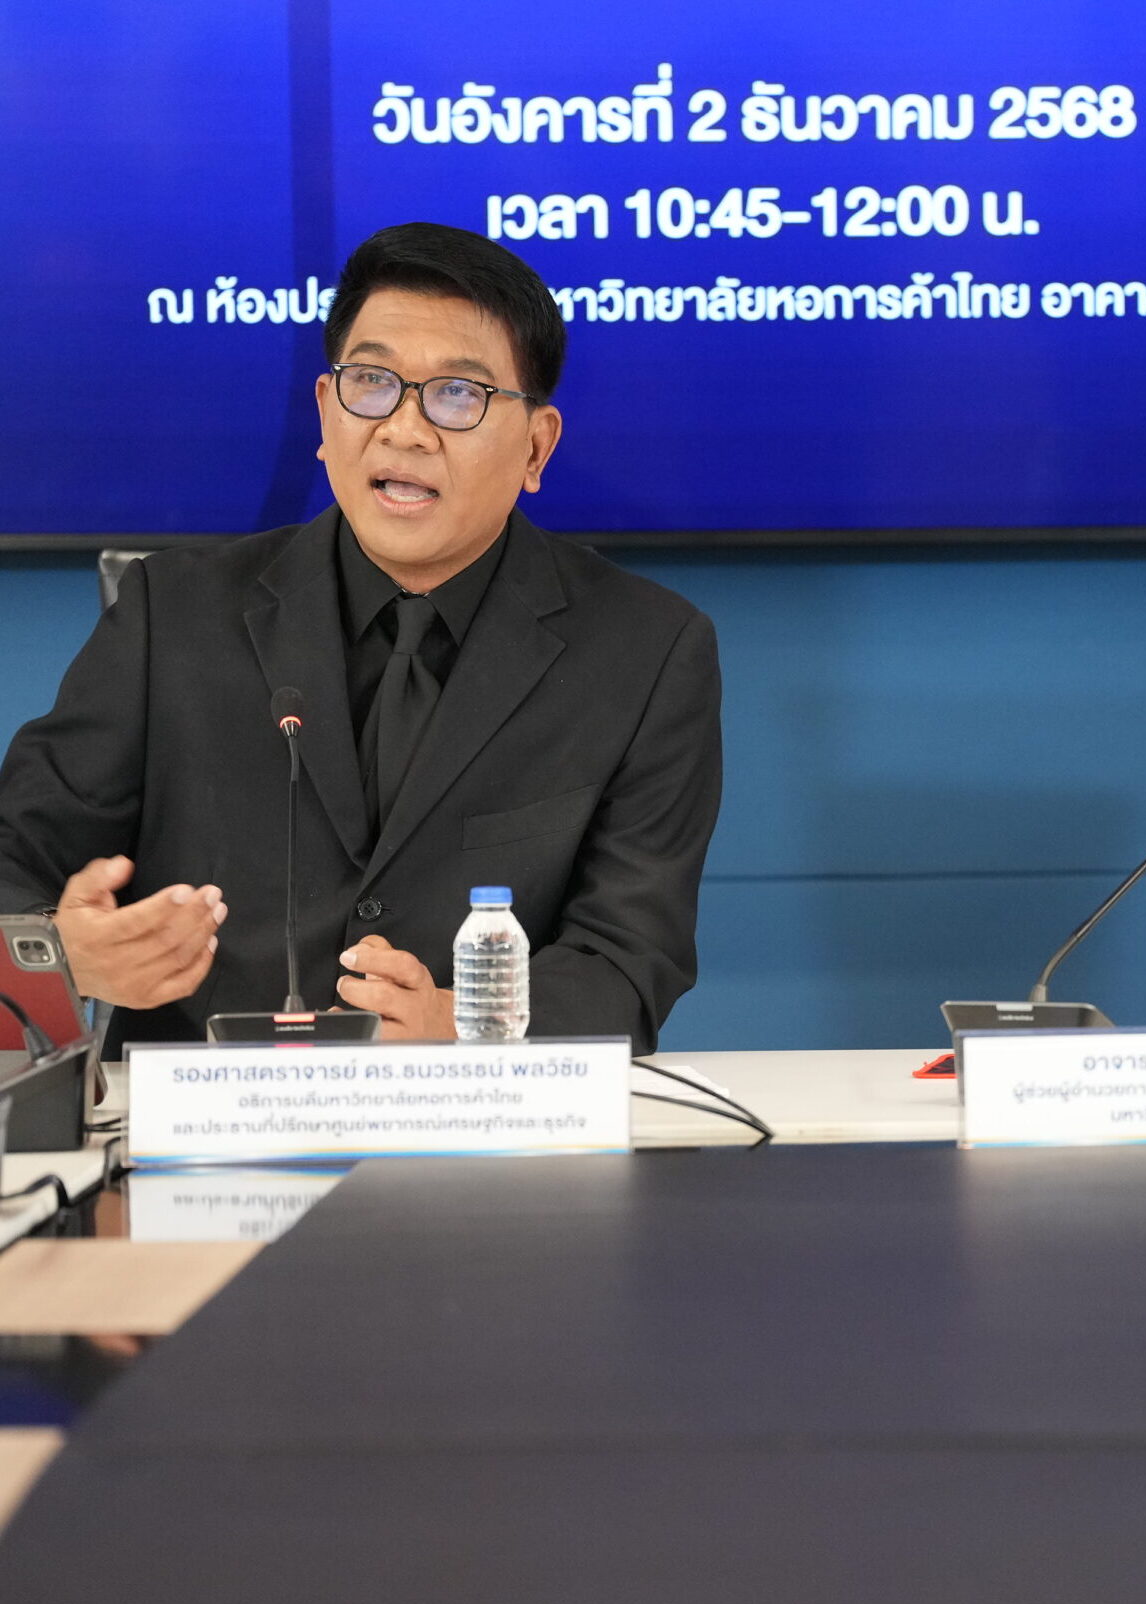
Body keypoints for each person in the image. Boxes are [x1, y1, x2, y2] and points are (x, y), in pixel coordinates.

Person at [0, 223, 721, 1054]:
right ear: (323, 410)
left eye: (458, 394)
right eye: (372, 382)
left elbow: (631, 958)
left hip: (478, 1123)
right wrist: (63, 953)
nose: (404, 429)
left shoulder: (646, 651)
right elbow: (16, 857)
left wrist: (460, 1026)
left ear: (536, 444)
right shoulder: (173, 616)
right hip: (202, 1115)